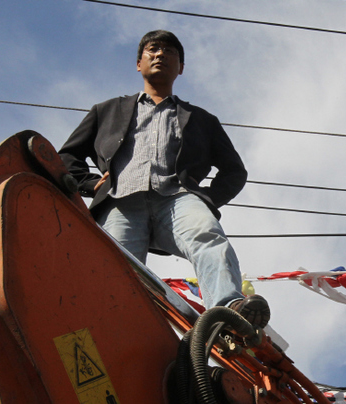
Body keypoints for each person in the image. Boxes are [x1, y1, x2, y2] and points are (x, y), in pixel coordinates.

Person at [58, 30, 270, 328]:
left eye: (169, 52)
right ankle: (114, 331)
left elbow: (234, 171)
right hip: (121, 203)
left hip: (178, 200)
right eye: (152, 50)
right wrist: (91, 183)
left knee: (208, 238)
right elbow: (66, 159)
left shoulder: (201, 119)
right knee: (115, 270)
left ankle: (228, 310)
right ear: (138, 63)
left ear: (180, 67)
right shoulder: (107, 111)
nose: (160, 55)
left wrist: (206, 199)